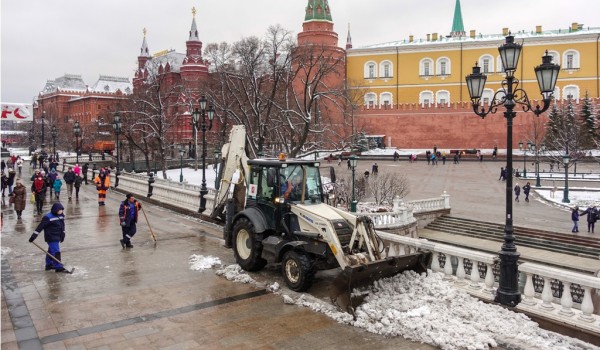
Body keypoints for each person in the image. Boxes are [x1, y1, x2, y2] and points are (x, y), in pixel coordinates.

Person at [28, 202, 69, 272]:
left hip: (57, 236)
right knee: (56, 251)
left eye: (62, 210)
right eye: (59, 210)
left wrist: (63, 234)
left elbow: (62, 226)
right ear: (55, 210)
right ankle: (58, 267)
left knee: (51, 251)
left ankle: (49, 264)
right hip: (51, 237)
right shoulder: (48, 217)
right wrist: (33, 236)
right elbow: (40, 227)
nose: (61, 211)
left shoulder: (61, 216)